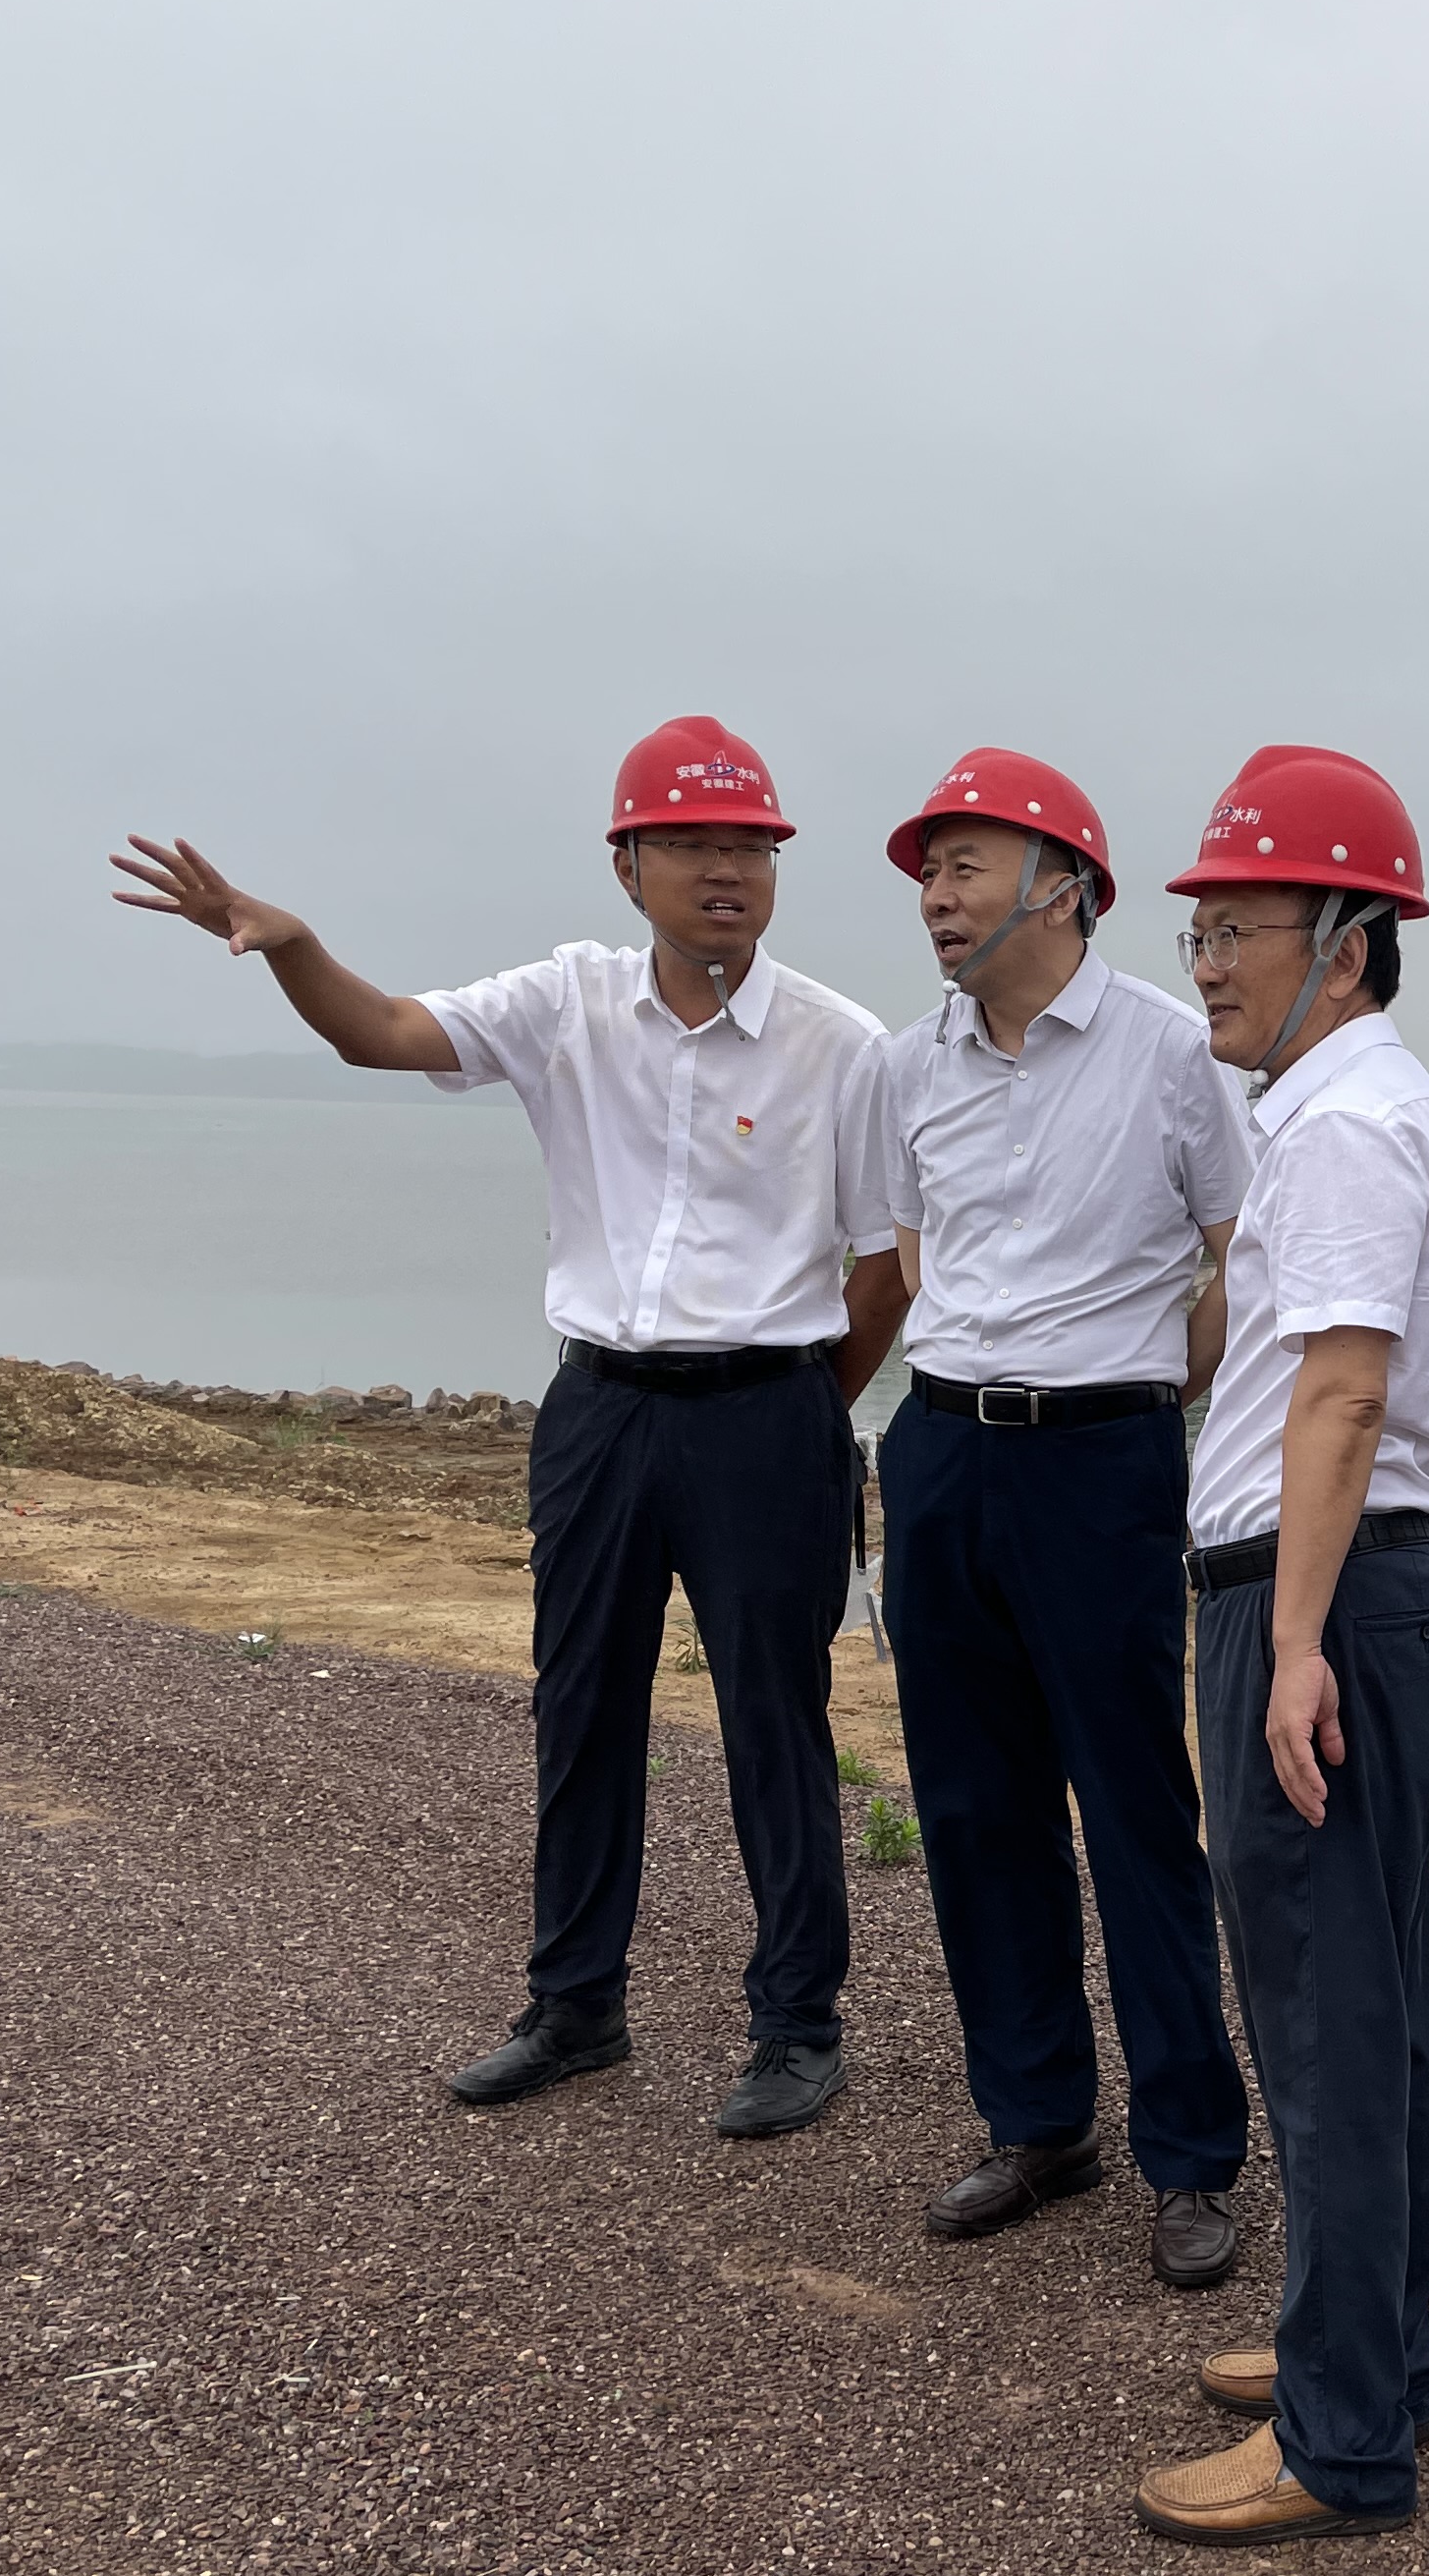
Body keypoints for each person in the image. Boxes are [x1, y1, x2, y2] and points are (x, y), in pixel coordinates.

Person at [109, 717, 905, 2139]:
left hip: (767, 1413)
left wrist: (795, 1411)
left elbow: (885, 1264)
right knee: (580, 1703)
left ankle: (797, 2023)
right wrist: (294, 946)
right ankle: (575, 2003)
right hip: (598, 1407)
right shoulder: (569, 1002)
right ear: (628, 866)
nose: (726, 871)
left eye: (751, 848)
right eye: (691, 845)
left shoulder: (841, 1046)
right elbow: (383, 1035)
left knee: (773, 1721)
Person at [1131, 746, 1429, 2548]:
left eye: (1241, 929)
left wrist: (1286, 1646)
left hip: (1325, 1594)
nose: (1209, 962)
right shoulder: (1350, 1108)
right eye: (1198, 931)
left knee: (1329, 2013)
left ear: (1344, 947)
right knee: (1368, 1996)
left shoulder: (1346, 1125)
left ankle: (1343, 2430)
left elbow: (1341, 1395)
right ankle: (1365, 2351)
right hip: (1363, 1588)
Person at [863, 749, 1256, 2290]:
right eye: (926, 873)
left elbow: (1244, 1253)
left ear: (1062, 884)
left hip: (1100, 1464)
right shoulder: (908, 1066)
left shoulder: (1173, 1054)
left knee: (1136, 1803)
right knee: (973, 1806)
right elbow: (914, 1254)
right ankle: (1035, 2121)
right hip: (942, 1452)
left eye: (961, 865)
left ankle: (1191, 2152)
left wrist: (1149, 1385)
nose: (934, 897)